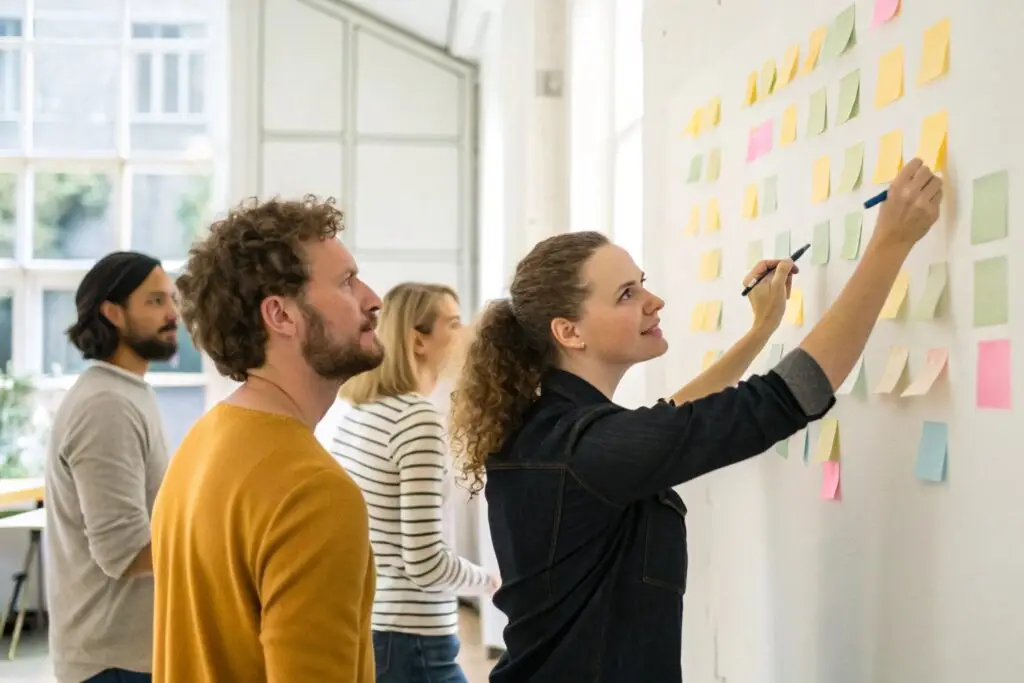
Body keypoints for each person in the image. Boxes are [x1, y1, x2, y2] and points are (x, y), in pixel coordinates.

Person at [448, 158, 943, 682]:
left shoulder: (556, 429)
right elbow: (785, 398)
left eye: (642, 283)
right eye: (627, 294)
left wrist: (760, 331)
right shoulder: (585, 448)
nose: (654, 301)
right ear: (569, 332)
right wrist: (890, 243)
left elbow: (668, 423)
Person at [150, 196, 384, 682]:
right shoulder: (313, 493)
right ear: (280, 315)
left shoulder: (202, 442)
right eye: (346, 282)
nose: (372, 299)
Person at [333, 282, 498, 683]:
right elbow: (424, 561)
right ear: (418, 342)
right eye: (453, 323)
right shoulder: (417, 421)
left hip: (375, 620)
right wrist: (489, 581)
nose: (467, 333)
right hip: (413, 635)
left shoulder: (362, 412)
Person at [45, 251, 179, 683]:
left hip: (129, 658)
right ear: (113, 313)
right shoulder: (107, 405)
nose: (173, 313)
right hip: (114, 665)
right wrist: (223, 540)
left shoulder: (128, 393)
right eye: (155, 301)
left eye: (172, 299)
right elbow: (125, 552)